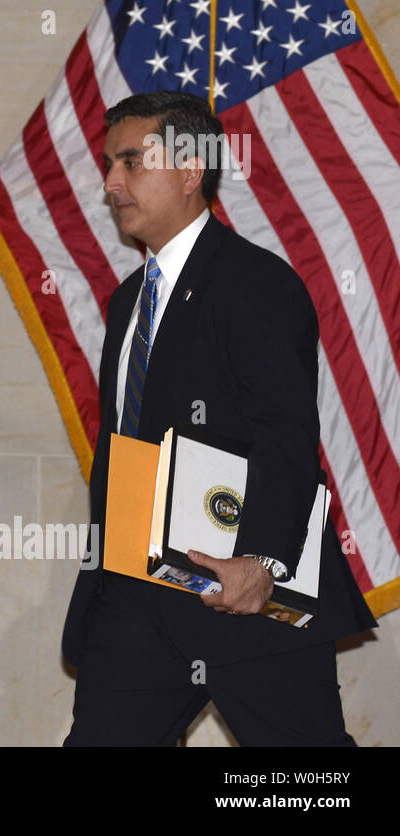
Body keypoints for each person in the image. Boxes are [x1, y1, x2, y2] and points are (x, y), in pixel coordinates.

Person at [62, 90, 376, 746]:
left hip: (240, 593)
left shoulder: (257, 283)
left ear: (188, 170)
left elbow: (284, 432)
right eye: (107, 164)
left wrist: (259, 561)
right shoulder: (128, 302)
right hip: (134, 605)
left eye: (129, 161)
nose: (111, 181)